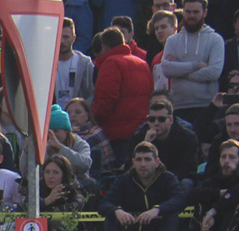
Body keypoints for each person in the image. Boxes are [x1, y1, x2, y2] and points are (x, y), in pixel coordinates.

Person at [98, 142, 186, 231]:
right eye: (139, 160)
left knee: (172, 215)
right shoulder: (124, 180)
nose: (143, 164)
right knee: (111, 217)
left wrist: (157, 209)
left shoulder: (168, 178)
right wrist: (117, 211)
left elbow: (180, 198)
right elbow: (104, 203)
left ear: (157, 162)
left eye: (147, 159)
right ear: (133, 162)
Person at [94, 27, 155, 165]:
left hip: (116, 132)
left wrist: (96, 118)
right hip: (140, 129)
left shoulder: (110, 63)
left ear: (104, 46)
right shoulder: (142, 63)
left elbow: (106, 99)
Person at [162, 0, 225, 125]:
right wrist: (196, 65)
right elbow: (167, 69)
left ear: (205, 12)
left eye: (196, 12)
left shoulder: (215, 39)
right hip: (178, 107)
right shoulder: (173, 40)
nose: (191, 16)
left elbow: (214, 73)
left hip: (207, 107)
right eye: (188, 11)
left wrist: (179, 69)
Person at [127, 99, 200, 181]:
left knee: (186, 183)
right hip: (146, 181)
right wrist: (145, 144)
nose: (156, 123)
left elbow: (188, 169)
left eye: (161, 119)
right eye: (152, 119)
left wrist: (162, 180)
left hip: (175, 180)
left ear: (171, 120)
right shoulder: (137, 138)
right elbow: (130, 169)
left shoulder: (187, 137)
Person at [190, 139, 239, 231]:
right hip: (211, 228)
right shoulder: (216, 179)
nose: (227, 161)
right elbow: (194, 194)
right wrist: (220, 194)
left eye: (232, 157)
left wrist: (214, 211)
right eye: (223, 157)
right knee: (202, 204)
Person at [53, 19, 95, 109]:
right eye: (58, 36)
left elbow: (91, 93)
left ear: (74, 38)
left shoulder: (85, 64)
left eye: (66, 37)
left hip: (78, 119)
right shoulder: (47, 64)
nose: (62, 41)